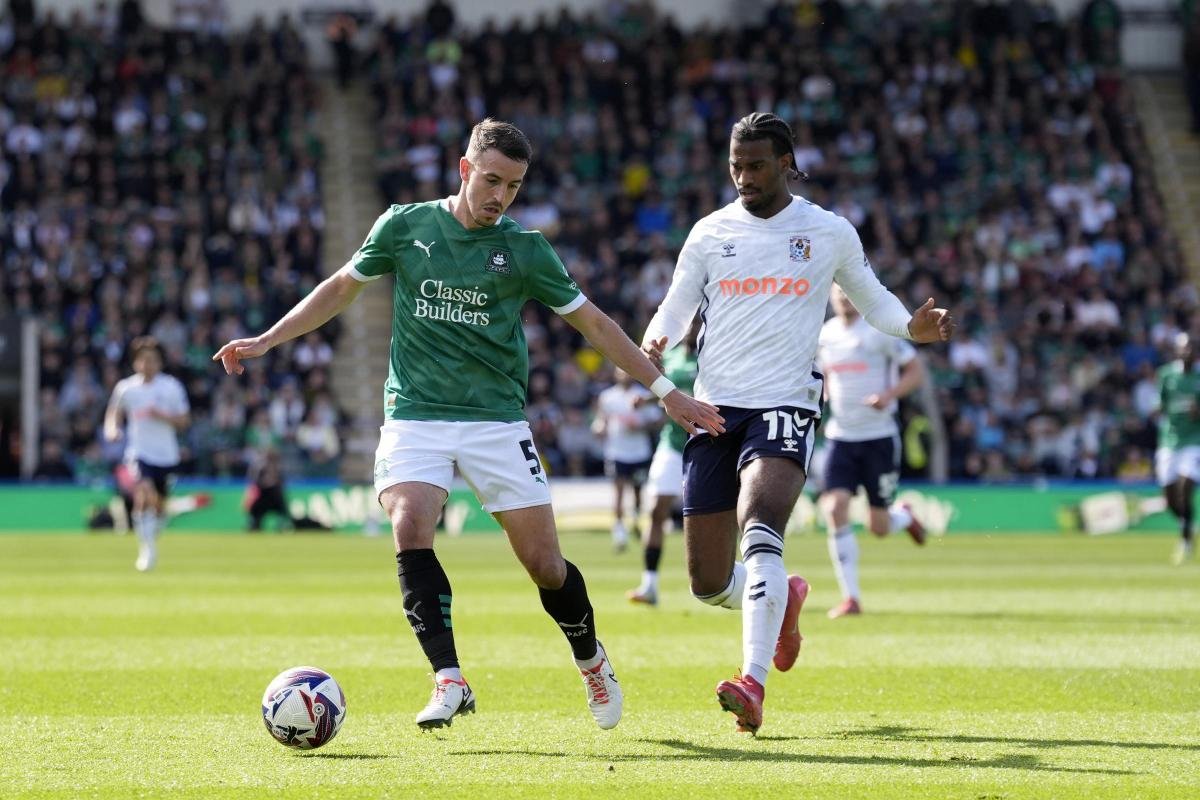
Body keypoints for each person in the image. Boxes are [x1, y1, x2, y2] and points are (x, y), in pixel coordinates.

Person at [214, 119, 723, 731]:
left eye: (513, 186)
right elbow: (342, 287)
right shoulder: (404, 226)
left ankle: (591, 660)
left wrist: (666, 391)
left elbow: (594, 324)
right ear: (464, 170)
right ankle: (448, 679)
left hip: (495, 421)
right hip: (416, 415)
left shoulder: (525, 250)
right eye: (491, 180)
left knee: (545, 566)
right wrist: (269, 339)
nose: (500, 196)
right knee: (410, 524)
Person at [643, 112, 955, 733]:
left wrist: (909, 328)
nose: (744, 177)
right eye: (735, 166)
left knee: (760, 528)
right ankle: (784, 600)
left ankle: (751, 682)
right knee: (708, 584)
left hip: (786, 403)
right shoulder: (709, 232)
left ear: (786, 163)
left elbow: (872, 298)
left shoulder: (827, 231)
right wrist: (656, 339)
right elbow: (676, 306)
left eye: (756, 165)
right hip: (713, 408)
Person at [817, 285, 929, 619]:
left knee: (878, 527)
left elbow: (916, 370)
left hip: (878, 437)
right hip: (841, 437)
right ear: (831, 297)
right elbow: (825, 374)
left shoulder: (879, 330)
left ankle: (903, 516)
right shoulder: (826, 334)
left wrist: (889, 395)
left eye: (847, 291)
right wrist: (823, 396)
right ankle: (851, 598)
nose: (843, 298)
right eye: (837, 293)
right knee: (834, 507)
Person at [103, 336, 191, 571]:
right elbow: (113, 413)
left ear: (160, 362)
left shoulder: (171, 387)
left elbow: (184, 421)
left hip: (166, 455)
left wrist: (162, 415)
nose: (147, 365)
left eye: (152, 360)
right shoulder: (126, 388)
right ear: (135, 362)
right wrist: (112, 430)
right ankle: (147, 549)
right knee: (143, 493)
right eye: (142, 360)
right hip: (139, 452)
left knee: (158, 505)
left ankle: (153, 530)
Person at [627, 320, 699, 606]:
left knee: (723, 515)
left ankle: (736, 579)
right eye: (690, 323)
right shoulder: (671, 357)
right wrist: (646, 400)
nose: (693, 328)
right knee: (656, 511)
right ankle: (650, 585)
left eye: (698, 323)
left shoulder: (714, 355)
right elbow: (663, 392)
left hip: (706, 443)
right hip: (672, 444)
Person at [593, 369, 660, 553]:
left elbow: (657, 420)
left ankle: (636, 520)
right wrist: (599, 429)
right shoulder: (607, 397)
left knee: (638, 492)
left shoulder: (643, 395)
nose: (625, 375)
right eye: (621, 372)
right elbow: (601, 420)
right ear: (616, 375)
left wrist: (640, 426)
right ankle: (619, 532)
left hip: (639, 452)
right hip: (616, 452)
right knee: (619, 492)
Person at [1155, 332, 1200, 565]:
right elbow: (1159, 405)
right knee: (1170, 500)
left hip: (1194, 441)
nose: (1188, 351)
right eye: (1184, 348)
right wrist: (1156, 409)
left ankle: (1185, 542)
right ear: (1177, 351)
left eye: (1191, 348)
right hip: (1169, 442)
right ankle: (1188, 524)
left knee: (1185, 487)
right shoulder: (1166, 375)